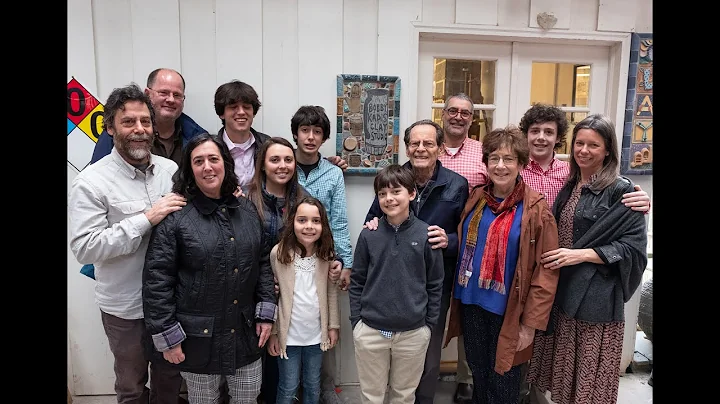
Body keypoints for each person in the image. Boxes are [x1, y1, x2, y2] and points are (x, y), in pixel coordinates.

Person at [516, 103, 651, 403]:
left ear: (607, 151)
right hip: (564, 290)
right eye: (580, 143)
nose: (584, 150)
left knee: (588, 381)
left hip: (597, 300)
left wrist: (582, 255)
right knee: (566, 377)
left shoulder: (620, 189)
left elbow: (633, 249)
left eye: (593, 145)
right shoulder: (570, 184)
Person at [69, 83, 187, 404]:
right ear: (110, 127)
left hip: (170, 306)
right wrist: (146, 219)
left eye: (145, 122)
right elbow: (86, 248)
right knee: (131, 387)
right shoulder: (91, 182)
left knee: (169, 384)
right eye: (128, 122)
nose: (139, 129)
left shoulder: (171, 171)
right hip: (125, 310)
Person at [142, 133, 277, 404]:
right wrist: (168, 336)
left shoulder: (247, 211)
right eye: (198, 161)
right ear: (190, 170)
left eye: (213, 159)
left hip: (245, 334)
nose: (207, 167)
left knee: (248, 398)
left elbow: (262, 264)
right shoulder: (176, 218)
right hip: (197, 339)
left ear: (225, 163)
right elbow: (157, 280)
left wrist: (266, 313)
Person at [443, 125, 560, 404]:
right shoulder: (477, 198)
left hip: (509, 311)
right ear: (486, 164)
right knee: (479, 374)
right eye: (494, 158)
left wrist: (529, 326)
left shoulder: (536, 210)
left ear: (521, 163)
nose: (500, 166)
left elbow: (547, 272)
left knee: (505, 383)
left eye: (508, 159)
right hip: (471, 303)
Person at [362, 119, 468, 404]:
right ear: (407, 148)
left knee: (430, 352)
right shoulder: (393, 179)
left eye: (428, 143)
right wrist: (371, 226)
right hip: (392, 282)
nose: (421, 149)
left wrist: (450, 241)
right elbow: (373, 218)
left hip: (435, 281)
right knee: (388, 355)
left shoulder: (457, 185)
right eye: (415, 143)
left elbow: (467, 233)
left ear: (440, 148)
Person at [350, 164, 445, 404]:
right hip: (371, 331)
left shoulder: (426, 235)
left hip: (413, 333)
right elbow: (357, 280)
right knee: (371, 396)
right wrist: (357, 322)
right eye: (382, 194)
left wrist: (428, 326)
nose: (389, 198)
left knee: (403, 396)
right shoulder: (368, 235)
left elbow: (435, 283)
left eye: (396, 192)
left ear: (412, 194)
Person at [289, 105, 352, 400]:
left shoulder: (333, 173)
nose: (310, 137)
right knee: (289, 324)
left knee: (325, 324)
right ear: (296, 134)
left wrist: (344, 261)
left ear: (324, 137)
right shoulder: (284, 167)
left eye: (317, 132)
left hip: (324, 260)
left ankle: (326, 390)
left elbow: (339, 220)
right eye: (305, 130)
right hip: (288, 260)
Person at [437, 93, 486, 402]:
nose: (458, 116)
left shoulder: (483, 153)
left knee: (469, 314)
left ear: (472, 119)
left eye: (465, 113)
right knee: (433, 312)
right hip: (435, 246)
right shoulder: (428, 147)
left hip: (475, 247)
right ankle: (424, 371)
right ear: (443, 114)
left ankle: (465, 377)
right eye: (452, 111)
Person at [267, 196, 340, 404]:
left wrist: (333, 326)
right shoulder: (278, 254)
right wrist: (273, 333)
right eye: (302, 220)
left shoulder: (326, 255)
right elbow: (272, 296)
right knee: (288, 385)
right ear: (292, 223)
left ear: (323, 225)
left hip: (316, 337)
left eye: (316, 221)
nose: (309, 226)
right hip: (288, 337)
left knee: (312, 383)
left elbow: (331, 292)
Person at [517, 104, 651, 213]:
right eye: (535, 131)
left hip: (565, 245)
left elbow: (606, 195)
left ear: (558, 137)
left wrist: (642, 201)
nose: (541, 137)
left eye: (548, 132)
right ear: (526, 135)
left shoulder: (572, 173)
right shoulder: (514, 172)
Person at [214, 81, 347, 189]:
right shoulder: (211, 149)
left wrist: (324, 163)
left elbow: (290, 160)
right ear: (221, 113)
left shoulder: (266, 144)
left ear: (253, 112)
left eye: (247, 107)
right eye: (233, 107)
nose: (241, 112)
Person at [90, 68, 208, 165]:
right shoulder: (116, 134)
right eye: (164, 93)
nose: (171, 99)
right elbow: (99, 176)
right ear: (147, 94)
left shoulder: (198, 137)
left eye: (177, 95)